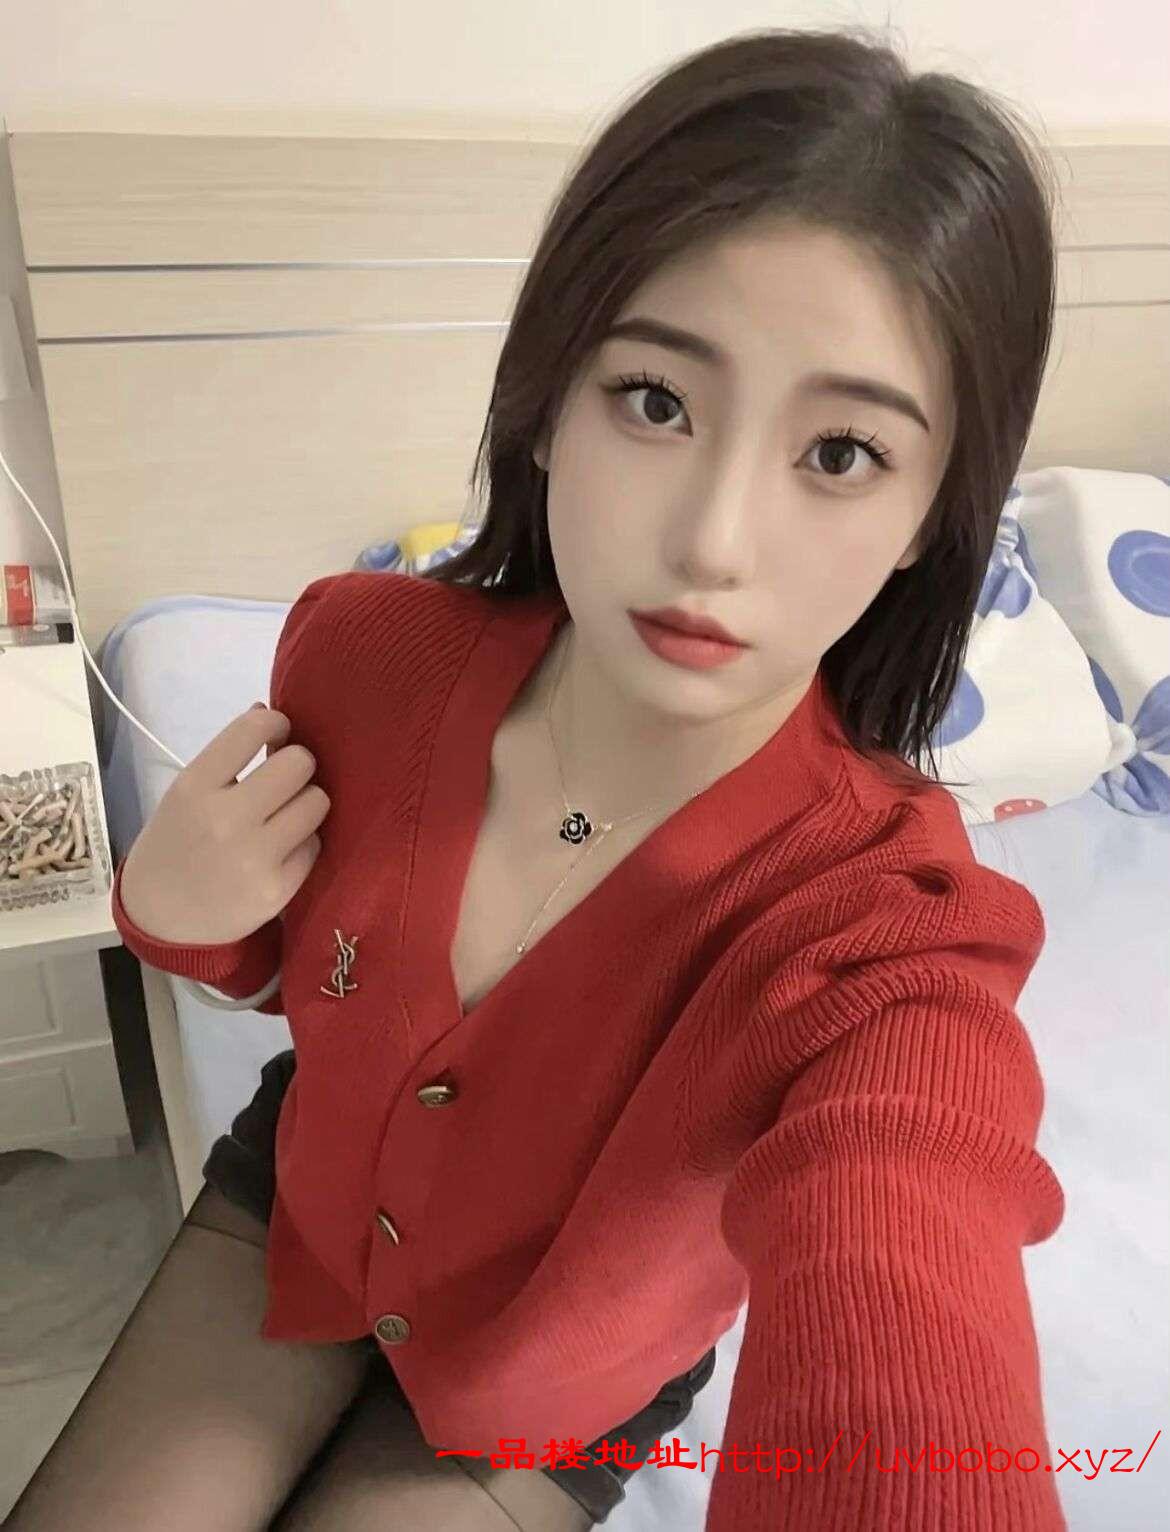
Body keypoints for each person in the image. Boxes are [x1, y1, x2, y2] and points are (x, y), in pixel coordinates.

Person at [7, 25, 1069, 1531]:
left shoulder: (887, 927)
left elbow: (907, 1193)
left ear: (928, 516)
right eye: (656, 401)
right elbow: (299, 964)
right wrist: (171, 918)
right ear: (550, 397)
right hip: (300, 1212)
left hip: (562, 1380)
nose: (712, 541)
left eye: (840, 453)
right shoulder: (363, 656)